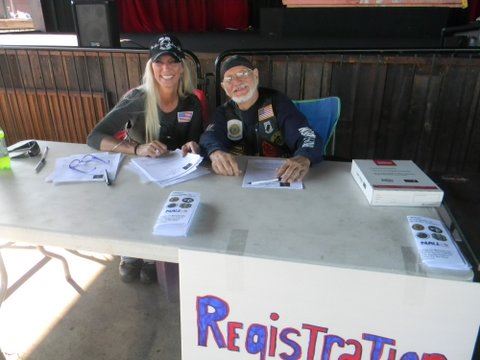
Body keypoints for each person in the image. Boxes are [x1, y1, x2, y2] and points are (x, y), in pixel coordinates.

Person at [87, 34, 203, 284]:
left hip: (175, 177)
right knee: (133, 205)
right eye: (159, 62)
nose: (166, 69)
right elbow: (95, 137)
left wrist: (193, 145)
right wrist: (137, 149)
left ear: (181, 67)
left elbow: (195, 142)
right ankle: (131, 252)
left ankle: (154, 257)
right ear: (151, 67)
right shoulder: (137, 98)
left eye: (172, 62)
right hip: (137, 176)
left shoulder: (191, 102)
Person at [199, 56, 323, 183]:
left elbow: (308, 136)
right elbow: (209, 136)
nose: (236, 82)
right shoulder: (224, 112)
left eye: (242, 73)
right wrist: (215, 152)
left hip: (282, 178)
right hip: (237, 179)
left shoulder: (277, 102)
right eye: (229, 79)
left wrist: (304, 157)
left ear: (256, 75)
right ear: (224, 87)